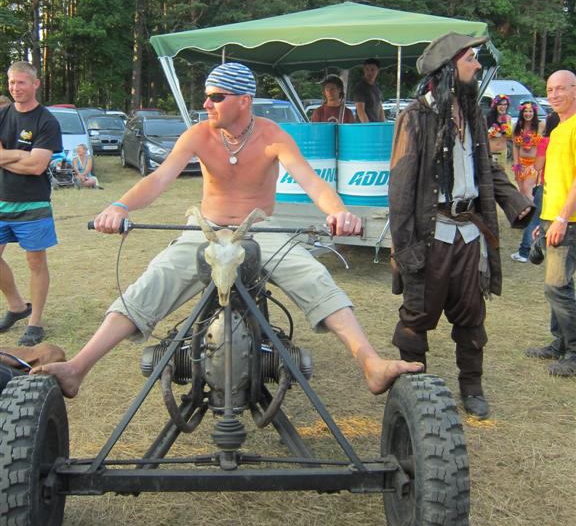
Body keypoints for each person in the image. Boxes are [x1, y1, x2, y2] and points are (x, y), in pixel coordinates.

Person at [32, 62, 423, 397]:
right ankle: (78, 367)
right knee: (154, 279)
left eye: (216, 97)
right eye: (207, 96)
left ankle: (370, 363)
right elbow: (159, 178)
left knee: (315, 277)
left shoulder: (273, 135)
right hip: (205, 228)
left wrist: (339, 211)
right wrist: (119, 206)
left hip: (261, 230)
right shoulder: (199, 135)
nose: (206, 104)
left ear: (244, 100)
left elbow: (312, 182)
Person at [388, 33, 533, 419]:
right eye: (471, 58)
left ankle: (472, 387)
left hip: (469, 234)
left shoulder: (472, 114)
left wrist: (517, 205)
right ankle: (415, 389)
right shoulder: (415, 117)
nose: (478, 65)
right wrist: (405, 249)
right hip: (431, 234)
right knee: (417, 315)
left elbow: (487, 168)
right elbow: (400, 189)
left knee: (471, 314)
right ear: (449, 68)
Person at [0, 61, 63, 346]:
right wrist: (21, 155)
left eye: (21, 82)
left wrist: (6, 156)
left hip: (33, 203)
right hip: (1, 199)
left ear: (35, 84)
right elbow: (28, 160)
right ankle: (16, 306)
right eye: (11, 82)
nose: (15, 88)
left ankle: (34, 322)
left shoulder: (46, 121)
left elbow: (37, 166)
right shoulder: (2, 115)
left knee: (35, 263)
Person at [527, 70, 576, 376]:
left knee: (557, 286)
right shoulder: (558, 129)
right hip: (553, 219)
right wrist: (544, 219)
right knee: (557, 286)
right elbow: (555, 181)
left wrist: (561, 218)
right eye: (549, 89)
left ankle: (574, 351)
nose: (554, 94)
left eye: (561, 88)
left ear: (575, 90)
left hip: (569, 222)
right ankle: (560, 343)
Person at [511, 111, 559, 263]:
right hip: (564, 187)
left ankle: (524, 251)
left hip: (547, 184)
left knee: (535, 218)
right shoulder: (565, 139)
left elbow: (538, 166)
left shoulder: (545, 141)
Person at [512, 100, 541, 200]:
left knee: (527, 189)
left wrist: (541, 164)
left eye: (530, 111)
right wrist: (516, 164)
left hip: (533, 164)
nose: (528, 114)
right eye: (525, 111)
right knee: (521, 191)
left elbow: (545, 145)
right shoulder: (516, 127)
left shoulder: (540, 126)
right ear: (522, 112)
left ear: (534, 112)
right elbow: (515, 146)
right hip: (520, 164)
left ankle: (535, 209)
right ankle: (526, 210)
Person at [353, 58, 384, 123]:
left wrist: (383, 125)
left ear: (377, 71)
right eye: (367, 69)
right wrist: (368, 127)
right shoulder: (360, 88)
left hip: (376, 125)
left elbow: (380, 108)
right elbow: (360, 111)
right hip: (364, 126)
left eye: (372, 70)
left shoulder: (377, 87)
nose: (369, 72)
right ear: (364, 70)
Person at [486, 94, 512, 166]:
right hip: (492, 152)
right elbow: (486, 137)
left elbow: (509, 137)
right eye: (500, 104)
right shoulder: (489, 117)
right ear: (495, 105)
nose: (503, 107)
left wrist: (507, 132)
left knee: (502, 171)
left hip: (503, 151)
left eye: (505, 104)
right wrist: (494, 131)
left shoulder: (508, 118)